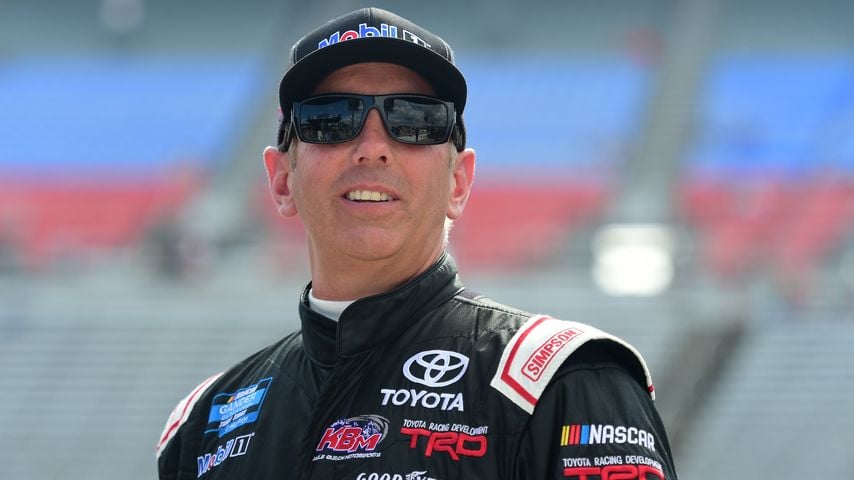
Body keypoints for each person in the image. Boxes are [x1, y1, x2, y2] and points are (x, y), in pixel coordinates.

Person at [156, 7, 678, 480]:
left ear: (459, 183)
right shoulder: (206, 422)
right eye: (331, 118)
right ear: (281, 180)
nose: (372, 148)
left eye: (416, 121)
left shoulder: (564, 382)